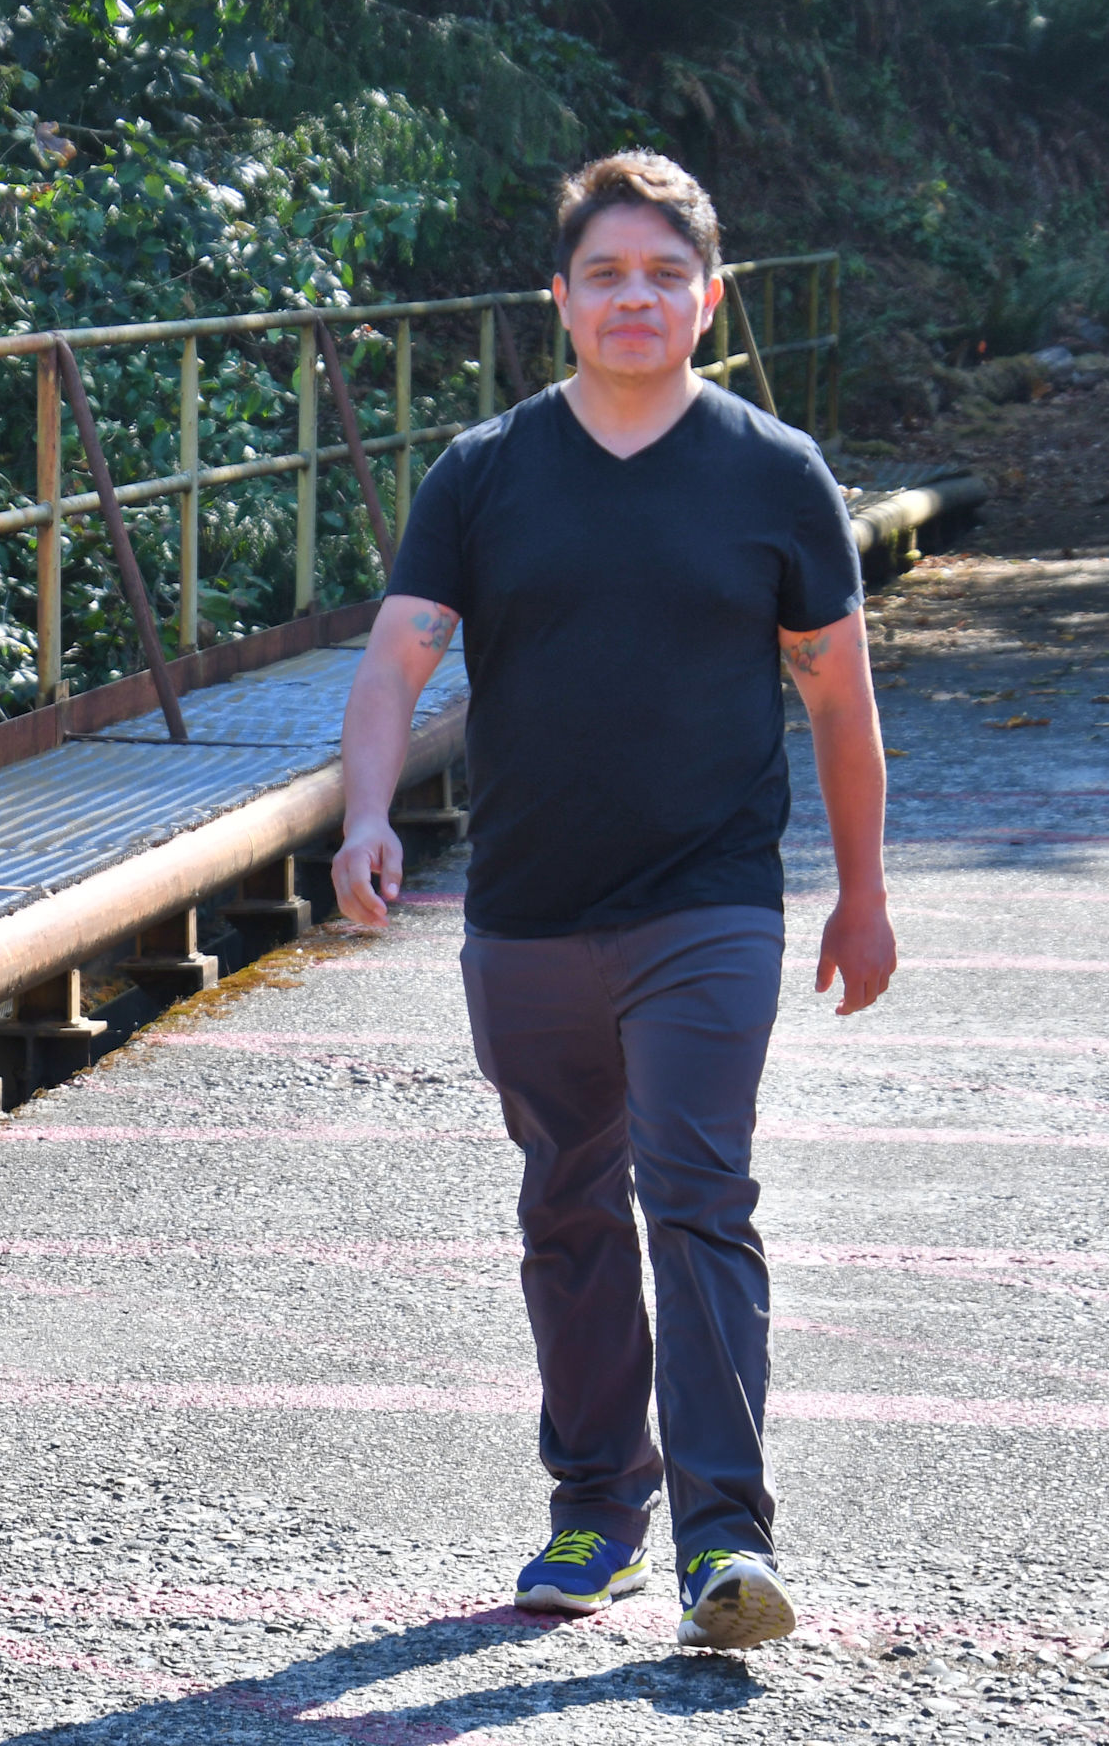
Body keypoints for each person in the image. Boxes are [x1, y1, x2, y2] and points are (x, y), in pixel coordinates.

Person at [330, 151, 896, 1652]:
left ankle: (725, 1540)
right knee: (568, 1205)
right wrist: (368, 816)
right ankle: (597, 1510)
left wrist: (863, 894)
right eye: (606, 275)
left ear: (709, 299)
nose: (634, 298)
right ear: (561, 300)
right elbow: (392, 665)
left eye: (664, 275)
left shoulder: (773, 472)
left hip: (709, 900)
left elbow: (840, 701)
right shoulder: (485, 471)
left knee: (697, 1193)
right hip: (526, 908)